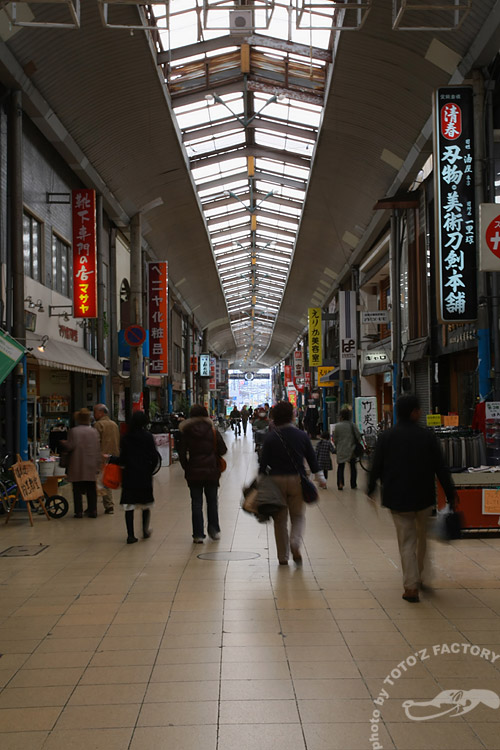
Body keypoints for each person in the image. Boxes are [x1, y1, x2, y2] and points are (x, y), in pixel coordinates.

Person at [367, 394, 456, 603]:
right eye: (419, 410)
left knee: (406, 541)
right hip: (423, 497)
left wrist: (371, 487)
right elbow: (440, 468)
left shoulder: (386, 437)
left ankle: (410, 586)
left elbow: (376, 465)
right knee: (422, 539)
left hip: (397, 499)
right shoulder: (427, 436)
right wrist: (451, 493)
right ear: (414, 412)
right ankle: (422, 577)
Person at [259, 401, 326, 566]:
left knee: (280, 520)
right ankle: (295, 543)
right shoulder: (301, 435)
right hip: (297, 479)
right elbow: (312, 459)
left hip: (276, 481)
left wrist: (261, 483)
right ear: (292, 416)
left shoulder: (271, 437)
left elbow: (262, 464)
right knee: (297, 516)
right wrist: (320, 478)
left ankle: (283, 557)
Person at [179, 404, 227, 543]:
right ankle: (214, 530)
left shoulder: (186, 431)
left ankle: (198, 535)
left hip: (193, 471)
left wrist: (186, 467)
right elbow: (223, 450)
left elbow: (182, 453)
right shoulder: (212, 430)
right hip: (211, 471)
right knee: (212, 502)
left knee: (196, 503)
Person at [115, 411, 159, 544]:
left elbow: (122, 458)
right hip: (144, 474)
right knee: (145, 504)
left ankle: (130, 535)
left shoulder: (126, 437)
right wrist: (149, 470)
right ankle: (145, 530)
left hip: (129, 475)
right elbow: (154, 456)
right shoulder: (148, 436)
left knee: (129, 505)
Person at [64, 408, 101, 518]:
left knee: (77, 489)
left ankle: (78, 511)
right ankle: (93, 510)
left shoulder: (74, 431)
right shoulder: (94, 431)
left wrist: (64, 444)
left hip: (77, 464)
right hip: (90, 464)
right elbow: (97, 448)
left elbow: (70, 446)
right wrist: (98, 464)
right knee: (91, 489)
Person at [93, 403, 120, 514]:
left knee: (100, 481)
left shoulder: (98, 425)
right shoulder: (114, 424)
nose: (93, 415)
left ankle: (108, 505)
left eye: (95, 412)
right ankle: (108, 505)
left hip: (102, 457)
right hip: (114, 457)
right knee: (107, 480)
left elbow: (95, 442)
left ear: (101, 412)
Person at [333, 408, 361, 490]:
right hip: (351, 449)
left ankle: (340, 483)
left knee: (341, 467)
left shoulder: (337, 426)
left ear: (341, 416)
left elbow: (335, 439)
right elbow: (358, 436)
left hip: (341, 449)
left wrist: (337, 446)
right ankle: (353, 484)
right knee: (353, 467)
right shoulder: (353, 425)